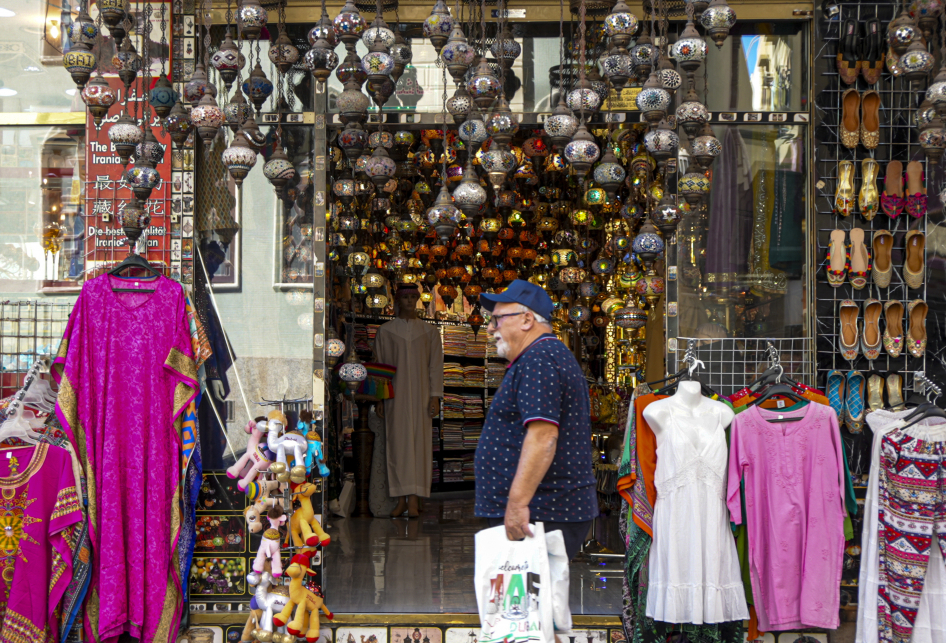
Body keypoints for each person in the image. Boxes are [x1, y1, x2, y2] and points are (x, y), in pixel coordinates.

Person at [474, 280, 597, 560]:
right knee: (537, 602)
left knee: (530, 601)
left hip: (542, 512)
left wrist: (517, 505)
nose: (491, 328)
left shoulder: (539, 358)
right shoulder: (542, 356)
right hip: (544, 511)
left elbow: (543, 436)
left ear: (527, 319)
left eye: (497, 319)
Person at [374, 282, 444, 518]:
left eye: (414, 297)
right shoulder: (386, 331)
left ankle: (414, 500)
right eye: (405, 298)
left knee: (420, 445)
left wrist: (435, 397)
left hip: (422, 396)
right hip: (396, 396)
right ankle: (401, 499)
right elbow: (381, 367)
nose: (409, 302)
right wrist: (381, 399)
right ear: (397, 301)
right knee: (398, 445)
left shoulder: (430, 332)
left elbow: (435, 367)